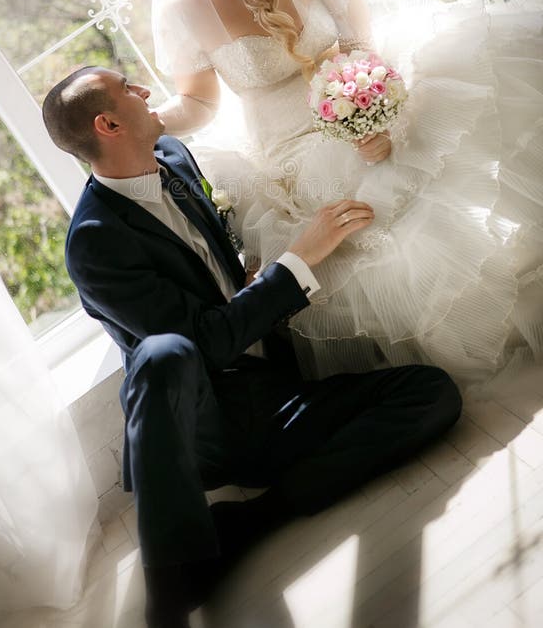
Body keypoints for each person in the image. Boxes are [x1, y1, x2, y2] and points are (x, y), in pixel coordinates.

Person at [42, 66, 461, 628]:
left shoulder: (173, 157)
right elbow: (203, 344)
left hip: (273, 394)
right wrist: (299, 258)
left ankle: (254, 519)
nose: (145, 89)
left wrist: (244, 278)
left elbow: (208, 272)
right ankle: (169, 586)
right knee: (162, 353)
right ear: (109, 122)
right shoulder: (95, 243)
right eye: (129, 88)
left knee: (431, 394)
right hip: (207, 422)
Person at [123, 0, 543, 385]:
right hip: (287, 157)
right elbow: (200, 103)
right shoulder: (182, 7)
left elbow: (363, 47)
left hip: (363, 107)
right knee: (368, 234)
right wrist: (148, 122)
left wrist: (376, 119)